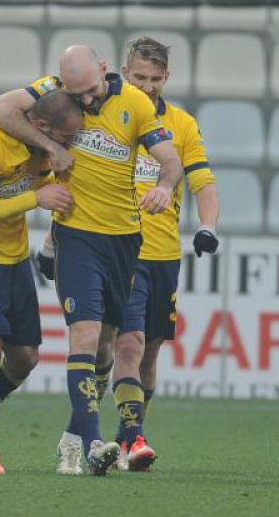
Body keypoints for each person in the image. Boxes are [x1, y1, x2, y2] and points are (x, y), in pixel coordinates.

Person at [0, 45, 183, 476]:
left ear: (105, 70)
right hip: (76, 237)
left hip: (125, 240)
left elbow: (171, 161)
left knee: (107, 345)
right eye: (78, 94)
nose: (87, 100)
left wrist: (165, 187)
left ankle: (72, 440)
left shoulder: (135, 103)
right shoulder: (55, 91)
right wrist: (49, 146)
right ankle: (95, 443)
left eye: (92, 90)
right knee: (85, 335)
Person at [88, 37, 218, 470]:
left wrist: (207, 227)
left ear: (167, 78)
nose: (146, 86)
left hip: (164, 255)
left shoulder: (182, 124)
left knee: (149, 352)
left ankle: (124, 435)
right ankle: (133, 437)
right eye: (139, 77)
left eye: (155, 79)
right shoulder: (106, 116)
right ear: (125, 73)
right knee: (129, 341)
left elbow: (202, 181)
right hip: (121, 247)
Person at [0, 90, 81, 474]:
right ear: (40, 126)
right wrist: (37, 198)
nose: (67, 145)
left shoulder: (45, 148)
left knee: (25, 358)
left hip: (14, 255)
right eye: (65, 138)